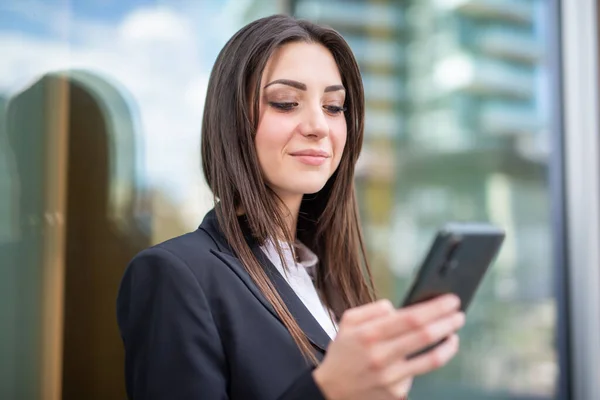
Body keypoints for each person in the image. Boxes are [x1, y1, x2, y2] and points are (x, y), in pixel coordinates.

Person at [116, 14, 465, 400]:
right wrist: (326, 390)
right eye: (286, 103)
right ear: (232, 119)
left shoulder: (334, 283)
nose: (319, 125)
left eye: (334, 107)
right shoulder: (175, 275)